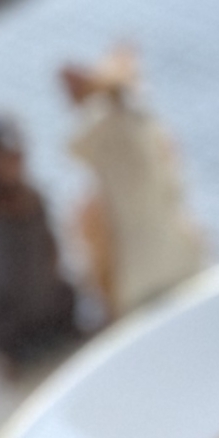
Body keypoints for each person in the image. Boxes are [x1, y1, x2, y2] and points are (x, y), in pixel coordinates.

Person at [61, 46, 206, 317]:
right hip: (172, 253)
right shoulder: (143, 122)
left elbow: (73, 147)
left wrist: (90, 95)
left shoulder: (106, 126)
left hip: (140, 268)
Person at [0, 113, 82, 368]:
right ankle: (8, 357)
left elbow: (49, 233)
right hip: (11, 287)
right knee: (9, 327)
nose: (13, 163)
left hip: (43, 279)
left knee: (62, 302)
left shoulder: (32, 193)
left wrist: (55, 258)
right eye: (3, 159)